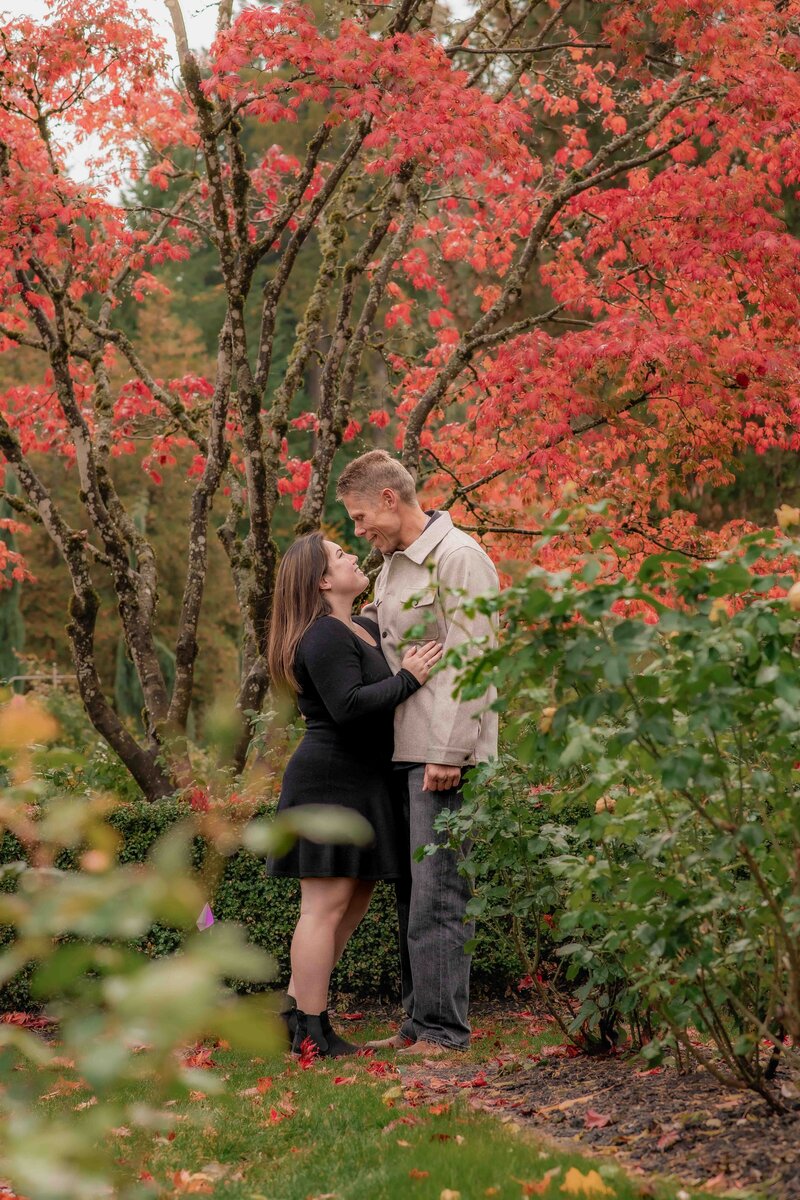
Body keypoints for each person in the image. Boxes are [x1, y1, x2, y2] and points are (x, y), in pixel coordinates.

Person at [336, 450, 499, 1057]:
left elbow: (473, 657)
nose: (358, 532)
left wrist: (450, 750)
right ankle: (416, 1022)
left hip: (443, 753)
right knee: (413, 894)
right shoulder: (391, 568)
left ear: (388, 499)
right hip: (404, 752)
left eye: (358, 518)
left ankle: (442, 1031)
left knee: (441, 893)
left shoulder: (458, 559)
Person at [265, 530, 442, 1058]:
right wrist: (408, 677)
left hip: (363, 782)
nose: (351, 556)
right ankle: (313, 1030)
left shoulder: (358, 627)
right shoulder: (321, 635)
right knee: (323, 906)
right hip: (330, 780)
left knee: (353, 900)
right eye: (340, 556)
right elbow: (347, 706)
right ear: (322, 581)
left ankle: (295, 1014)